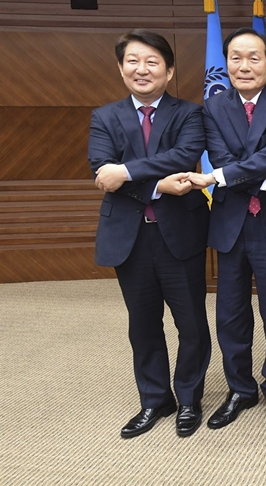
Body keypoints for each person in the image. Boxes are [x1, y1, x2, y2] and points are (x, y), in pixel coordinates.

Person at [88, 29, 211, 439]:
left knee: (191, 322)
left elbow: (182, 155)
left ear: (169, 70)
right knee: (142, 324)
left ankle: (189, 398)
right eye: (133, 61)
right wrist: (156, 184)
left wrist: (125, 171)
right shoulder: (104, 116)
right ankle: (155, 400)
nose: (142, 69)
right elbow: (100, 169)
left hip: (180, 232)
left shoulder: (190, 113)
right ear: (121, 67)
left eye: (152, 62)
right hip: (129, 236)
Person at [188, 28, 266, 432]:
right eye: (236, 57)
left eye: (254, 58)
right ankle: (240, 388)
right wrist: (260, 174)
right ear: (226, 64)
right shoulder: (212, 107)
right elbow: (219, 156)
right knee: (230, 315)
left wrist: (230, 174)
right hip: (230, 224)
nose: (244, 66)